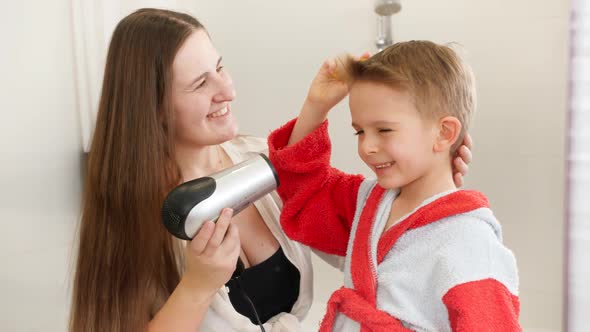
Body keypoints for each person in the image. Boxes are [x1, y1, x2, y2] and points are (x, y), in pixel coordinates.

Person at [69, 8, 473, 332]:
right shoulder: (130, 211)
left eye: (221, 68)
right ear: (152, 106)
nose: (227, 91)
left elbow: (360, 235)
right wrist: (197, 285)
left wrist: (426, 186)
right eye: (200, 84)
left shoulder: (261, 162)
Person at [267, 41, 520, 331]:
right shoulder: (370, 202)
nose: (368, 147)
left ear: (444, 132)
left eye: (384, 130)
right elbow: (306, 191)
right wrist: (317, 105)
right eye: (359, 131)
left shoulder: (469, 242)